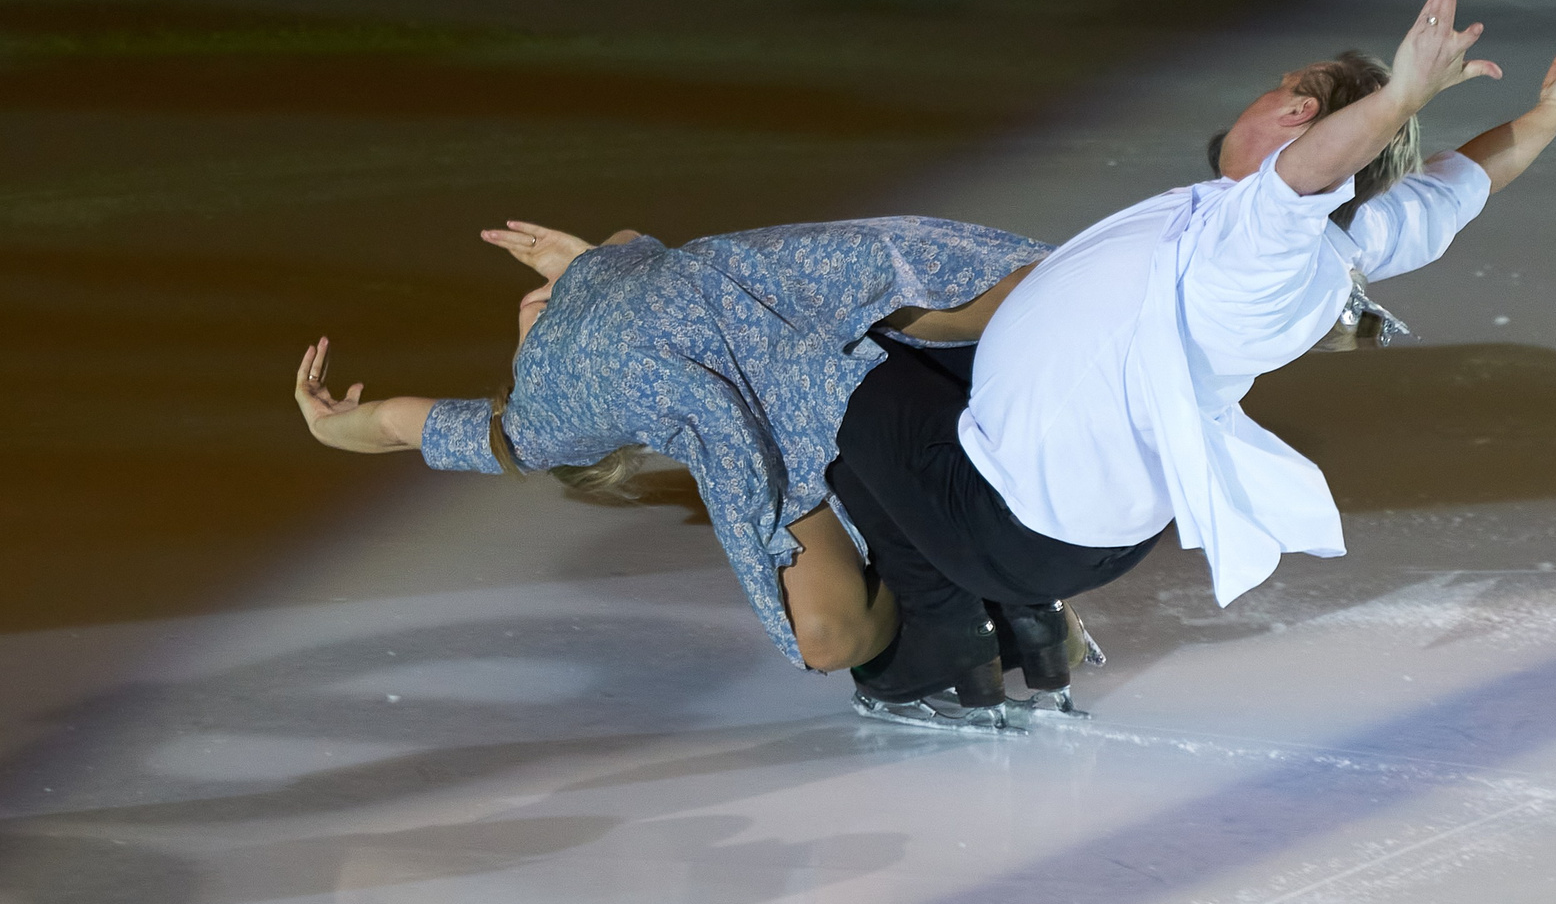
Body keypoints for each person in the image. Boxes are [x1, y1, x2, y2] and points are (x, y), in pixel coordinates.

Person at [830, 0, 1556, 726]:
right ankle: (1029, 621)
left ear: (1298, 109)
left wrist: (1405, 94)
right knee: (938, 367)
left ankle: (941, 643)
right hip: (1071, 523)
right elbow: (1462, 181)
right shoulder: (1353, 237)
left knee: (833, 369)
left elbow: (1308, 172)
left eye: (1281, 89)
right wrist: (1551, 108)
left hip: (1007, 526)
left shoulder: (1260, 250)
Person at [291, 213, 1049, 674]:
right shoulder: (533, 417)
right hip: (773, 421)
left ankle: (972, 591)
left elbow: (628, 244)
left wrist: (584, 260)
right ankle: (944, 606)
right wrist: (329, 425)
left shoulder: (598, 276)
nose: (524, 309)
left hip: (799, 295)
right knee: (824, 636)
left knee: (1035, 294)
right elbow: (399, 424)